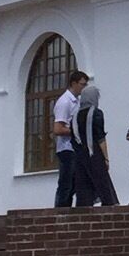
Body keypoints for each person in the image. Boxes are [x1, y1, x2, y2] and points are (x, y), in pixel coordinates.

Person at [75, 81, 121, 206]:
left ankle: (83, 209)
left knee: (83, 185)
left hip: (79, 154)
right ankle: (109, 205)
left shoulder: (75, 115)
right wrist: (106, 158)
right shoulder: (96, 113)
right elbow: (100, 137)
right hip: (93, 152)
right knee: (103, 182)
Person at [51, 69, 89, 208]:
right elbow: (58, 129)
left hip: (76, 148)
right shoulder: (65, 102)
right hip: (67, 149)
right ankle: (60, 211)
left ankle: (67, 210)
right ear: (73, 83)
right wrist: (77, 132)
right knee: (66, 184)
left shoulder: (76, 101)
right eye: (82, 84)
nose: (84, 88)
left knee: (74, 183)